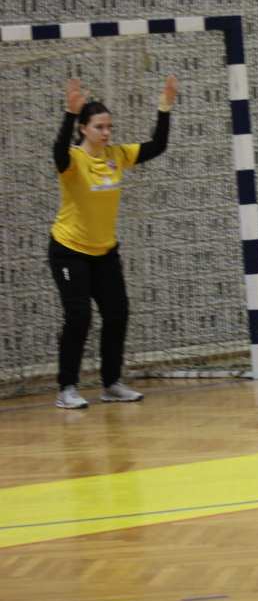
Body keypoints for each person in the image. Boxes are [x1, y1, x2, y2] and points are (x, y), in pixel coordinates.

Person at [48, 75, 178, 410]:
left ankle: (111, 384)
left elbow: (157, 145)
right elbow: (58, 153)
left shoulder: (117, 155)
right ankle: (67, 388)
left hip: (104, 252)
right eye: (99, 127)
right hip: (69, 251)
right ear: (83, 129)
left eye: (109, 127)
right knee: (79, 316)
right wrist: (69, 112)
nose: (106, 133)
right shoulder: (73, 159)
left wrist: (164, 107)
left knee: (117, 314)